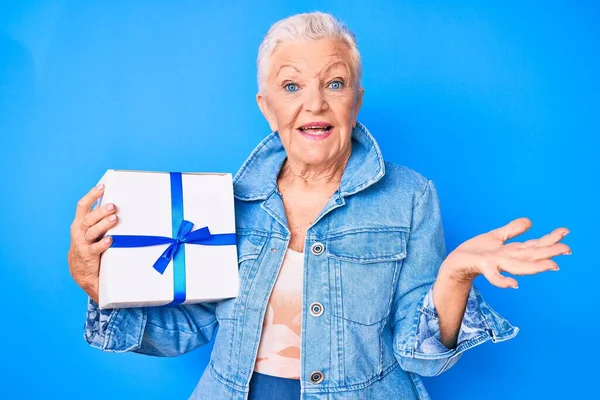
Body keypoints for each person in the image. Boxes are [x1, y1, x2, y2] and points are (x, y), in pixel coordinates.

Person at [68, 12, 571, 400]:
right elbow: (188, 328)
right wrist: (97, 281)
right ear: (267, 108)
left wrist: (454, 276)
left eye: (334, 83)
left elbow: (418, 356)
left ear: (356, 98)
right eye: (291, 86)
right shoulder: (222, 203)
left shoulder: (412, 197)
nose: (314, 104)